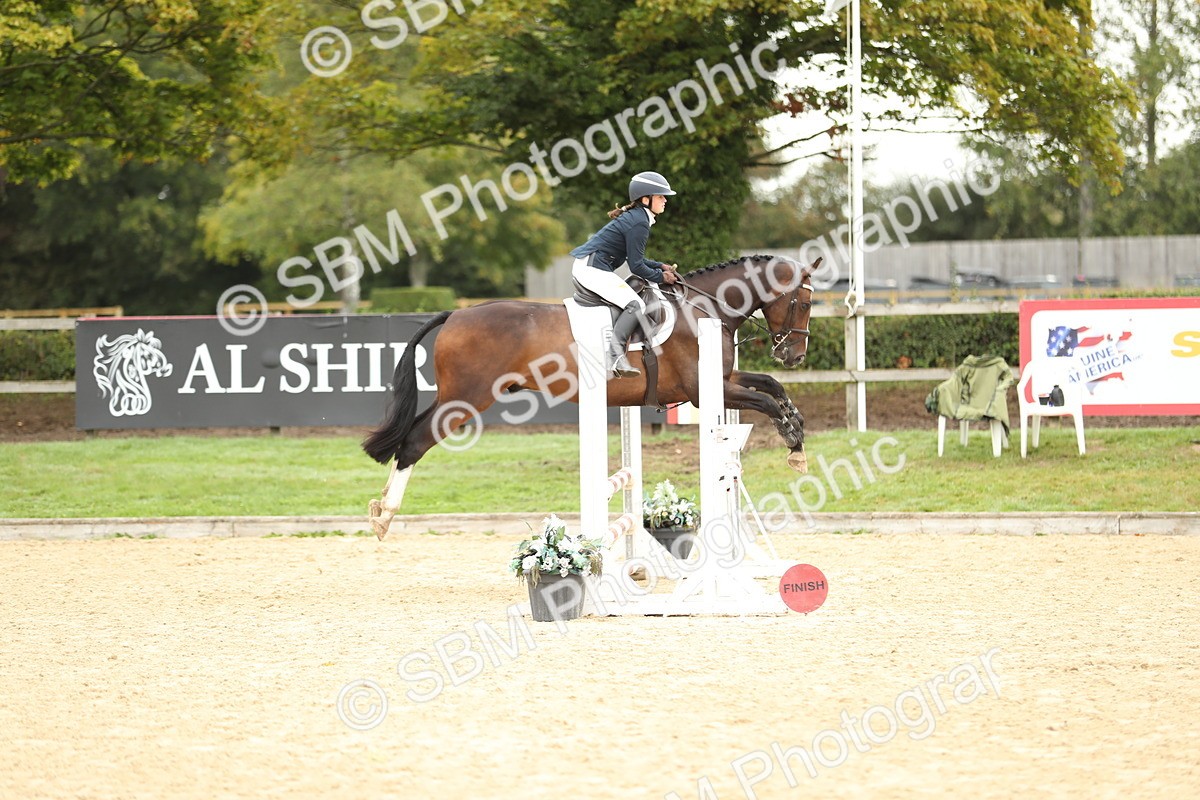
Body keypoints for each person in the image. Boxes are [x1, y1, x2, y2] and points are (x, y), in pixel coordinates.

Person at [569, 171, 681, 377]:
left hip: (591, 265)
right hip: (591, 269)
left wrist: (659, 266)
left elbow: (635, 258)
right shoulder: (639, 222)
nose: (665, 200)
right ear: (646, 199)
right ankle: (615, 356)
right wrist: (661, 277)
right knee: (636, 304)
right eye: (660, 196)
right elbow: (636, 266)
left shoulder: (638, 217)